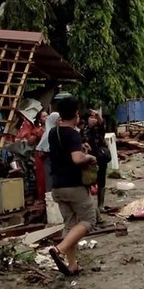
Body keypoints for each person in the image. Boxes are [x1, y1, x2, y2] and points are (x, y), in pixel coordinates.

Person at [48, 97, 97, 276]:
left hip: (57, 186)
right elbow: (76, 159)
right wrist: (89, 158)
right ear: (75, 114)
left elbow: (64, 154)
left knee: (70, 225)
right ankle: (59, 249)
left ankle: (72, 265)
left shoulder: (54, 133)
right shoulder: (73, 134)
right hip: (74, 186)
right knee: (88, 221)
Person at [81, 109, 108, 216]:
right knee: (89, 179)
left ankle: (100, 204)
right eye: (91, 117)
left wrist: (98, 115)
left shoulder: (99, 128)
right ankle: (90, 205)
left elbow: (102, 124)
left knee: (102, 179)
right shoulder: (84, 129)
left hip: (101, 156)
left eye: (95, 117)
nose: (94, 119)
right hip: (89, 158)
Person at [35, 112, 60, 193]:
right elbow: (42, 149)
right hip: (49, 160)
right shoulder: (48, 133)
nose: (59, 121)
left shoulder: (58, 131)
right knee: (50, 181)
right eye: (57, 119)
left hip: (57, 161)